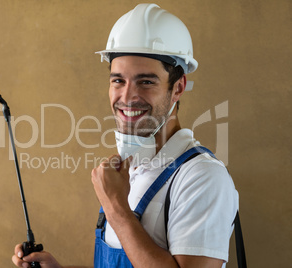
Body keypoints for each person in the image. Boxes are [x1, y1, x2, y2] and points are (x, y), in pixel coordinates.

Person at [12, 3, 238, 268]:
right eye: (118, 80)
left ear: (178, 88)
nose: (127, 96)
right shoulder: (128, 170)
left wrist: (116, 208)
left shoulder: (201, 177)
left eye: (146, 81)